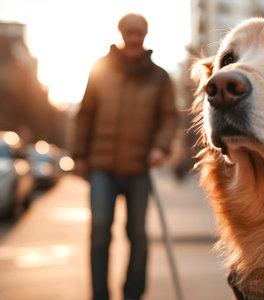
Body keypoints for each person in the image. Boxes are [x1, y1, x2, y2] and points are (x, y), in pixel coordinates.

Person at [71, 13, 178, 300]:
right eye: (129, 30)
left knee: (138, 236)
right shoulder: (100, 69)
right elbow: (85, 115)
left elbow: (169, 117)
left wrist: (161, 147)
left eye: (139, 31)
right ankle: (100, 295)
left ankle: (132, 294)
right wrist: (79, 154)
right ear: (121, 32)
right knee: (100, 230)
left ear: (145, 34)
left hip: (140, 168)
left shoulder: (159, 76)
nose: (134, 36)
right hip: (101, 167)